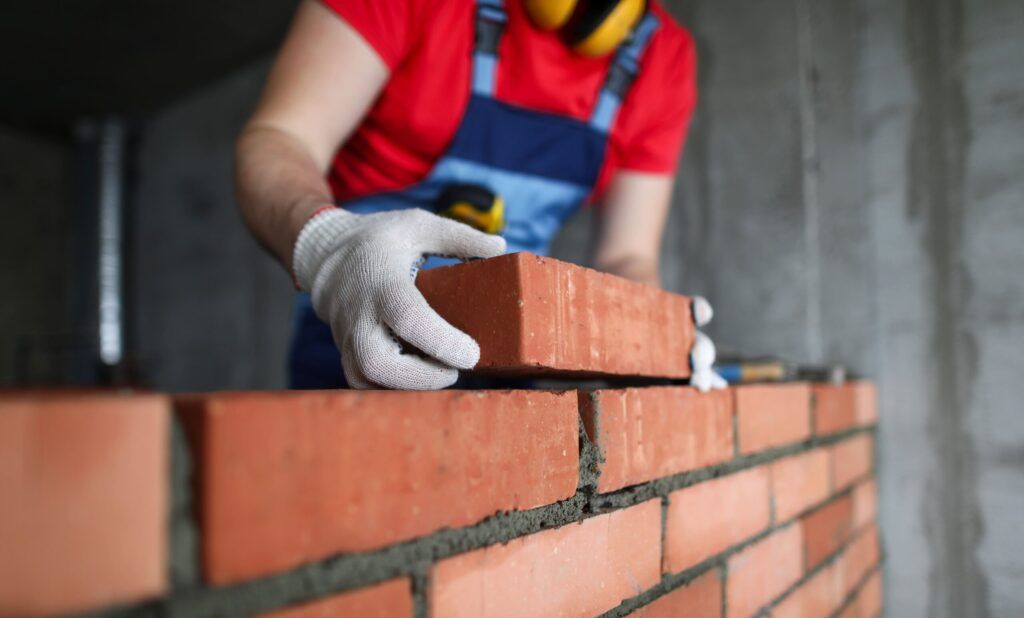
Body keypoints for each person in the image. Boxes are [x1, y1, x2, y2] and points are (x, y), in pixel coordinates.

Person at [235, 0, 723, 390]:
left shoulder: (661, 56)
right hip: (353, 347)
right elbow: (279, 137)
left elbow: (628, 255)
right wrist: (330, 244)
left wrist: (653, 337)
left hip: (514, 367)